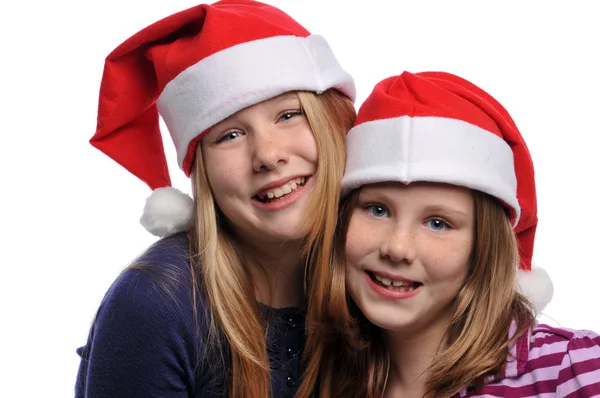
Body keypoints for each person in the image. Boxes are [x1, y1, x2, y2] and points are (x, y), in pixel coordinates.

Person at [75, 1, 356, 397]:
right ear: (200, 170)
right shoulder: (158, 305)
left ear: (335, 122)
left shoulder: (376, 275)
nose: (268, 155)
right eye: (230, 135)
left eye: (289, 115)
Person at [298, 71, 600, 397]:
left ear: (485, 248)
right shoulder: (319, 381)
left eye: (438, 223)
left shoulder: (571, 369)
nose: (397, 248)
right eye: (377, 209)